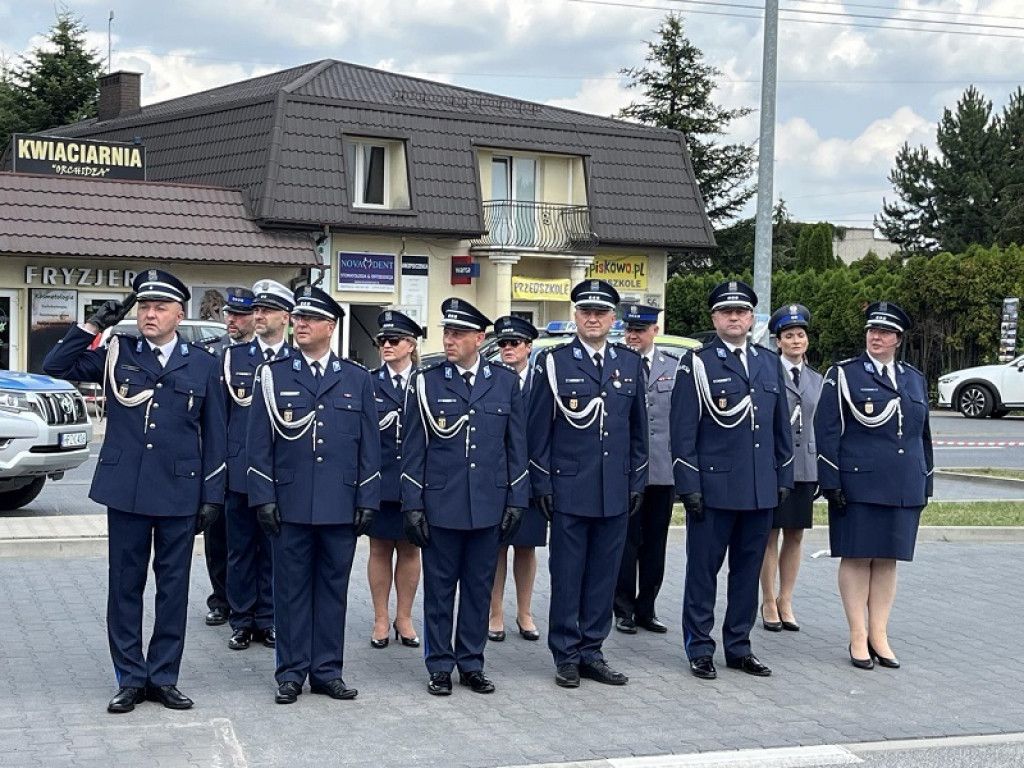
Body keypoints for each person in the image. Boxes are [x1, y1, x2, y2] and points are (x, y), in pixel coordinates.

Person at [43, 269, 226, 713]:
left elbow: (216, 433)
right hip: (127, 490)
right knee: (125, 586)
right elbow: (55, 366)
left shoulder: (202, 362)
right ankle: (129, 676)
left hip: (180, 491)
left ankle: (163, 677)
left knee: (173, 589)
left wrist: (212, 496)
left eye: (159, 307)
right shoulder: (117, 352)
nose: (149, 314)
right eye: (144, 306)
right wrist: (92, 326)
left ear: (179, 314)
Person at [247, 285, 380, 704]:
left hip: (340, 505)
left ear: (330, 326)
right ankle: (290, 672)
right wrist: (262, 496)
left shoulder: (356, 378)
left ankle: (326, 671)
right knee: (290, 591)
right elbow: (258, 442)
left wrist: (367, 499)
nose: (300, 324)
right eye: (298, 318)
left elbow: (369, 446)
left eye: (309, 319)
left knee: (332, 590)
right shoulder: (275, 374)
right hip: (290, 503)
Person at [401, 298, 528, 696]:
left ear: (480, 338)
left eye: (458, 333)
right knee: (440, 590)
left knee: (477, 588)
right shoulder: (427, 381)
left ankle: (471, 662)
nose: (449, 340)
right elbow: (412, 448)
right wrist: (412, 503)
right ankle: (439, 665)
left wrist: (516, 499)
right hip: (441, 503)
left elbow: (516, 447)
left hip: (488, 503)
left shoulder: (504, 382)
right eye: (446, 332)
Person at [670, 280, 793, 681]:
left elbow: (780, 429)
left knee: (747, 573)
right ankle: (700, 648)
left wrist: (784, 476)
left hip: (759, 489)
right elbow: (683, 430)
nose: (735, 317)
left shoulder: (767, 362)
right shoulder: (698, 363)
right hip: (713, 488)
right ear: (715, 319)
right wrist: (688, 485)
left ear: (752, 318)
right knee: (702, 573)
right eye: (727, 312)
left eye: (741, 311)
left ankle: (739, 646)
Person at [528, 280, 647, 689]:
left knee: (603, 575)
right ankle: (565, 653)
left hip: (614, 489)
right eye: (585, 311)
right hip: (569, 488)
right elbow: (538, 430)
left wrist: (637, 481)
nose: (592, 318)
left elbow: (638, 432)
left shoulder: (630, 364)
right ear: (576, 316)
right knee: (568, 574)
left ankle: (592, 650)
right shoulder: (554, 362)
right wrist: (541, 484)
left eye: (601, 312)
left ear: (613, 319)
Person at [814, 301, 932, 670]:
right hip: (859, 483)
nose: (876, 337)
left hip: (903, 483)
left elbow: (921, 436)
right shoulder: (845, 374)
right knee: (857, 556)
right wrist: (831, 480)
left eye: (884, 332)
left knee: (887, 558)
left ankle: (879, 634)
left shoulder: (913, 378)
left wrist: (925, 481)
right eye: (871, 331)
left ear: (898, 338)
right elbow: (827, 429)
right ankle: (857, 635)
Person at [221, 280, 294, 651]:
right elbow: (220, 418)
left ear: (286, 317)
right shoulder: (235, 357)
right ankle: (241, 618)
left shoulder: (294, 361)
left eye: (266, 310)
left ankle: (268, 618)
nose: (259, 316)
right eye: (257, 310)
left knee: (274, 549)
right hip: (240, 470)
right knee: (240, 549)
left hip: (282, 472)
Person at [614, 304, 677, 635]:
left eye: (641, 329)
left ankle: (646, 608)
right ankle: (622, 608)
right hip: (626, 471)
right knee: (626, 542)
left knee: (655, 543)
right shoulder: (617, 366)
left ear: (655, 330)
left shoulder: (673, 366)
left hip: (663, 471)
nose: (634, 335)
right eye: (630, 330)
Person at [759, 304, 822, 634]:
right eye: (788, 336)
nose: (795, 340)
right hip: (774, 464)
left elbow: (821, 426)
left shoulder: (817, 379)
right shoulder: (768, 372)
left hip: (805, 466)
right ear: (778, 341)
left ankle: (786, 599)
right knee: (769, 534)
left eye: (800, 335)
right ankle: (768, 600)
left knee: (795, 534)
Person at [367, 309, 423, 649]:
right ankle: (380, 619)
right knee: (378, 548)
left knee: (411, 548)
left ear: (411, 345)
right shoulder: (368, 381)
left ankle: (404, 616)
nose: (386, 345)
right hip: (381, 478)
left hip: (415, 480)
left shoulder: (426, 381)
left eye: (393, 340)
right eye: (381, 341)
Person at [488, 314, 545, 643]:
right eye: (503, 344)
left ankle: (524, 612)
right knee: (497, 547)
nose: (508, 349)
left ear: (528, 347)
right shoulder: (491, 379)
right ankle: (495, 611)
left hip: (532, 475)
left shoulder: (540, 381)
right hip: (498, 476)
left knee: (526, 547)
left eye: (514, 343)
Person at [203, 286, 256, 628]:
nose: (232, 321)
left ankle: (251, 605)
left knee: (247, 540)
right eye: (229, 314)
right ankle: (221, 598)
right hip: (217, 456)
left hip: (250, 461)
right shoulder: (213, 353)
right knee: (217, 536)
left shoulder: (264, 356)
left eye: (239, 315)